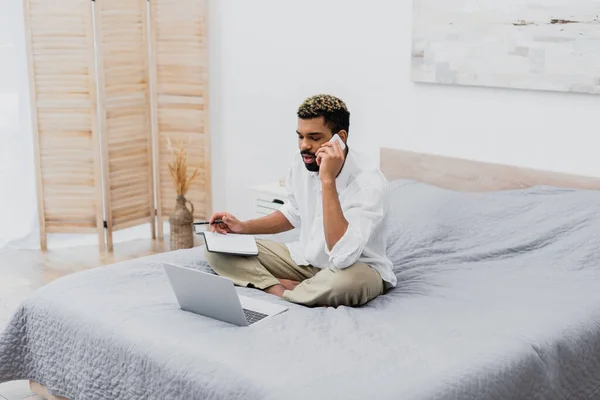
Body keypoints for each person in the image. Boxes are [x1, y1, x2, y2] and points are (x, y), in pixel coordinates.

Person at [204, 94, 396, 308]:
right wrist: (243, 227)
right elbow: (293, 212)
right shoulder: (303, 160)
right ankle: (281, 290)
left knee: (347, 284)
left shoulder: (368, 183)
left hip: (355, 268)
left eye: (314, 138)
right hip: (306, 260)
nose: (304, 146)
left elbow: (343, 256)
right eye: (300, 136)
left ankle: (292, 289)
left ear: (340, 138)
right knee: (218, 248)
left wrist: (327, 180)